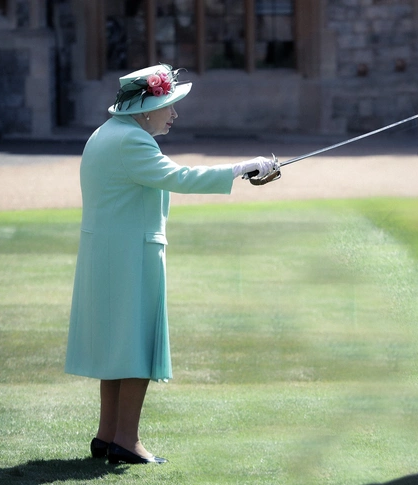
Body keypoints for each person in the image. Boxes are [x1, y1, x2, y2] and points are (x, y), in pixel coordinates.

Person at [64, 64, 278, 465]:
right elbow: (179, 177)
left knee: (117, 348)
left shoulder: (106, 133)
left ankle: (107, 435)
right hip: (130, 257)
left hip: (108, 256)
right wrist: (242, 168)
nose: (174, 114)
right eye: (168, 105)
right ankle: (126, 440)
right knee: (137, 346)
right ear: (145, 109)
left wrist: (244, 170)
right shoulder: (132, 141)